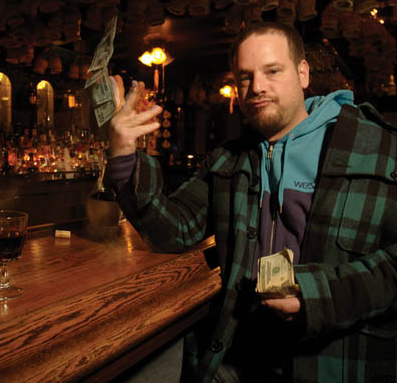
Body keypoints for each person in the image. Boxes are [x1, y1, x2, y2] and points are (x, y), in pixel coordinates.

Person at [106, 22, 397, 382]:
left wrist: (316, 294)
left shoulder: (377, 147)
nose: (256, 86)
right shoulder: (228, 159)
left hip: (335, 362)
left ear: (303, 74)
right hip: (238, 359)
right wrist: (124, 154)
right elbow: (174, 230)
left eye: (272, 71)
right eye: (245, 77)